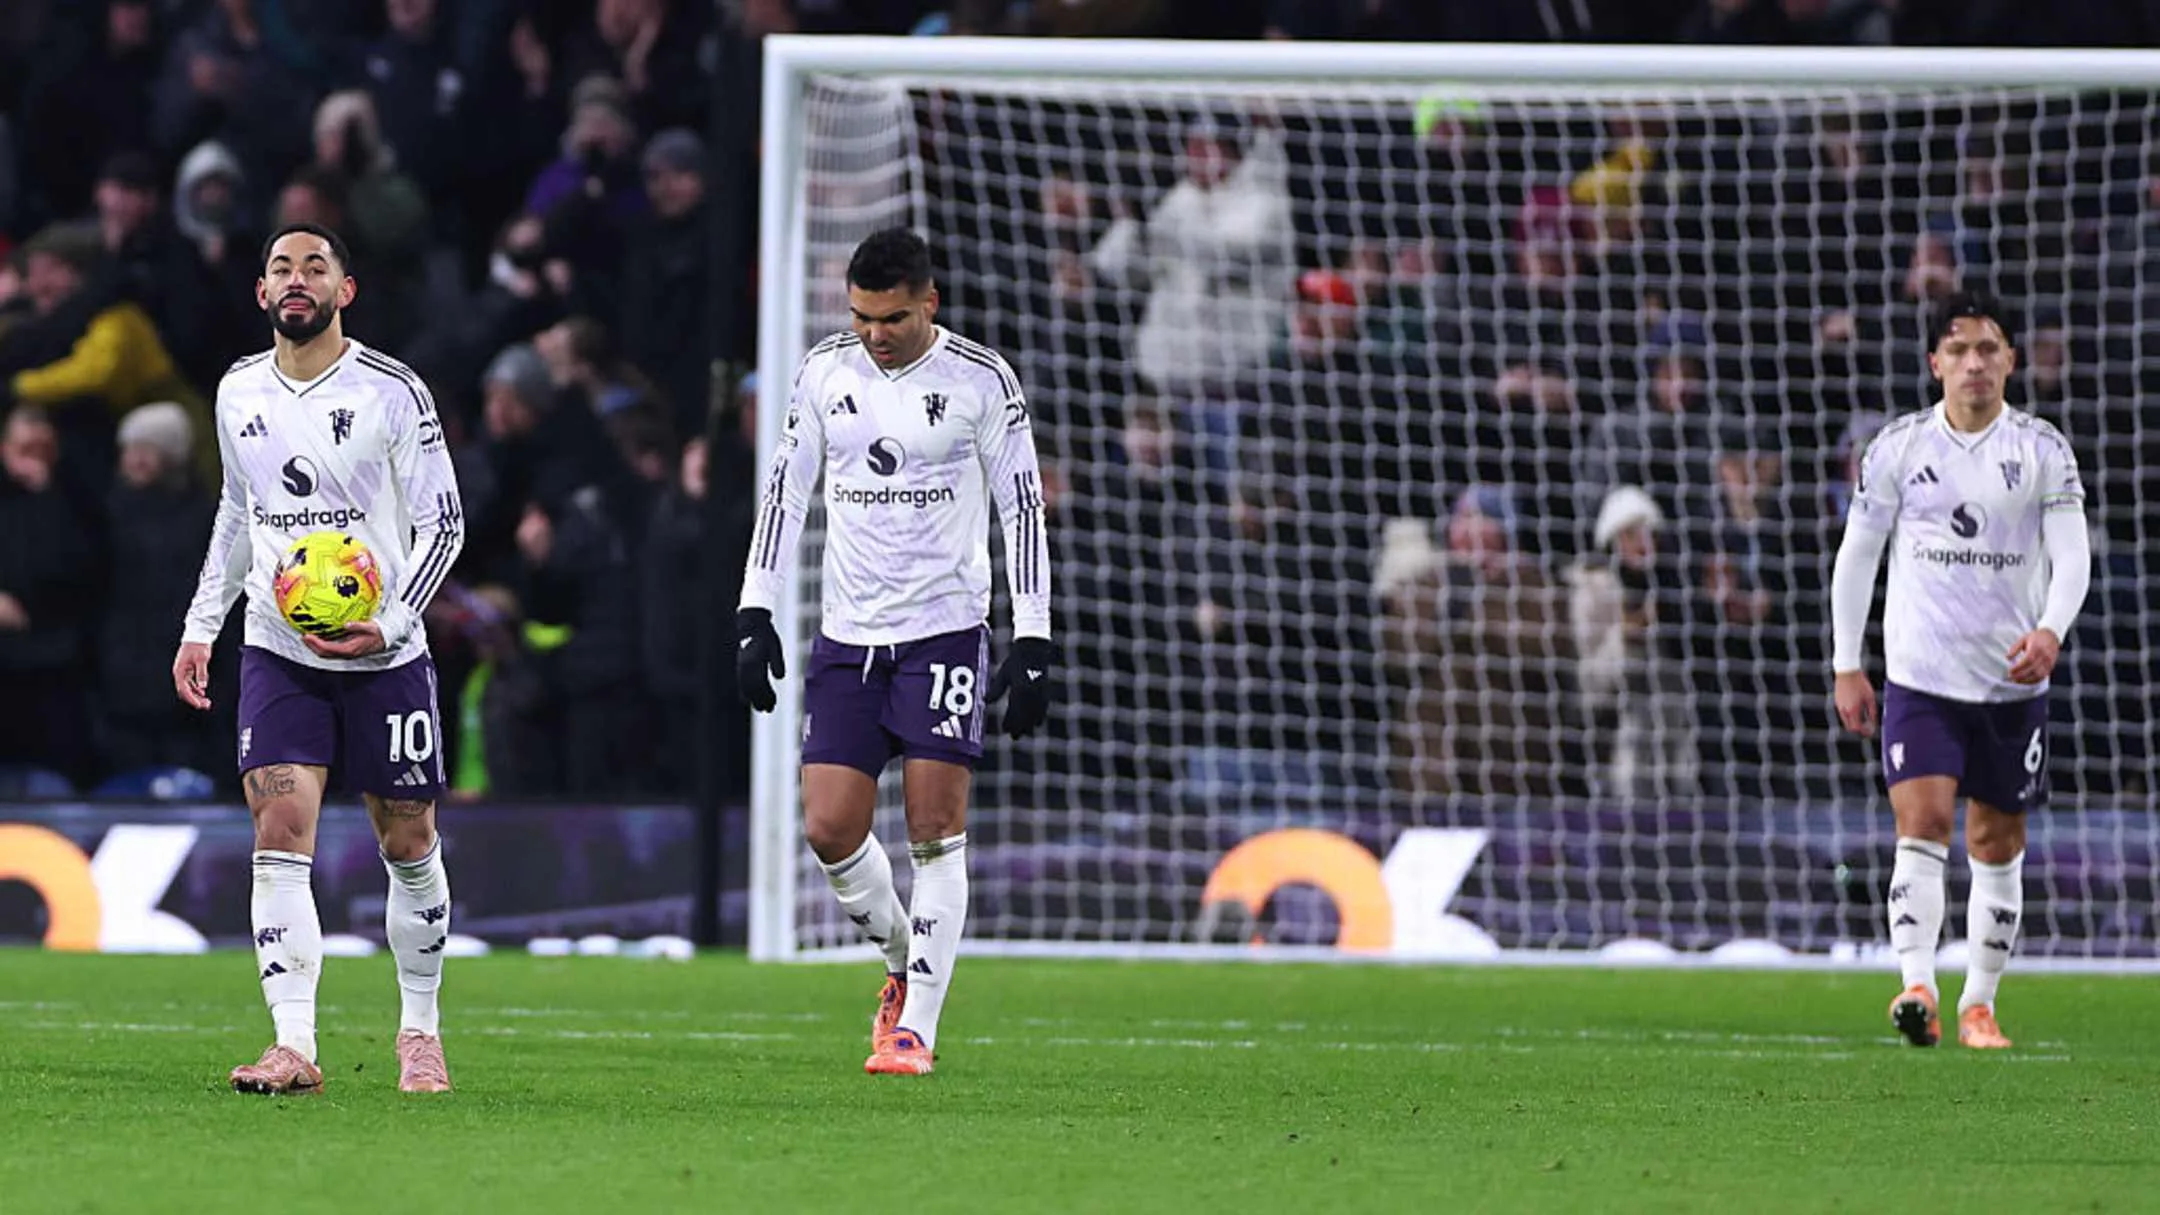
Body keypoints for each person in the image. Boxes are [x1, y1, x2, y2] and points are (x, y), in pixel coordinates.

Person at [735, 227, 1054, 1076]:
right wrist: (755, 609)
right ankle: (902, 959)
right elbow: (785, 490)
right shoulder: (825, 371)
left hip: (944, 630)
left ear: (929, 303)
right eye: (862, 316)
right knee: (829, 827)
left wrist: (1032, 635)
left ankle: (916, 1027)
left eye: (893, 318)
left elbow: (1022, 508)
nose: (875, 333)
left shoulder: (981, 380)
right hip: (848, 635)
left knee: (934, 827)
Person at [174, 223, 466, 1094]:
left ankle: (420, 1030)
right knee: (278, 826)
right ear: (262, 293)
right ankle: (293, 1044)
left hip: (386, 655)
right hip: (279, 646)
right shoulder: (237, 391)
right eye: (281, 268)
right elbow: (238, 511)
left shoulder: (391, 391)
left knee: (408, 838)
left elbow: (443, 523)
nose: (296, 279)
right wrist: (201, 624)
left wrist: (393, 621)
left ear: (346, 290)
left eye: (315, 267)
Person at [1830, 292, 2091, 1051]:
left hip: (2011, 682)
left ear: (2010, 360)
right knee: (1922, 824)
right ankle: (1917, 987)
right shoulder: (1898, 449)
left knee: (1995, 841)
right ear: (1935, 364)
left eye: (1987, 348)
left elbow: (2073, 555)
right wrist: (1847, 663)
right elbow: (1857, 556)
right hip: (1921, 677)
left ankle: (1979, 1004)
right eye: (1958, 349)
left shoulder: (2042, 450)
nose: (1974, 362)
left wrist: (2051, 631)